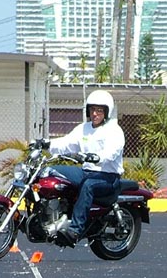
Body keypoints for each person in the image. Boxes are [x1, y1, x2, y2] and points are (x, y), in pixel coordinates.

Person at [45, 89, 125, 246]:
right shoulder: (84, 128)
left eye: (99, 110)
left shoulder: (114, 130)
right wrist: (45, 144)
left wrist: (98, 157)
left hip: (108, 176)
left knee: (88, 185)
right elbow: (66, 143)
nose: (95, 113)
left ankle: (74, 231)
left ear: (106, 111)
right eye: (92, 109)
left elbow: (112, 151)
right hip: (86, 172)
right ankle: (49, 217)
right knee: (51, 172)